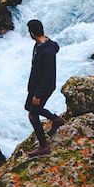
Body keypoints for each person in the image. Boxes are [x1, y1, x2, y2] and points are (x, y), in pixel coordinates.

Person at [25, 19, 61, 151]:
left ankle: (43, 146)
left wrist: (38, 94)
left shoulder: (47, 52)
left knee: (33, 115)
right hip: (36, 86)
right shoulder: (42, 45)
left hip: (43, 87)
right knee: (30, 108)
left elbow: (48, 75)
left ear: (32, 33)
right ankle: (56, 120)